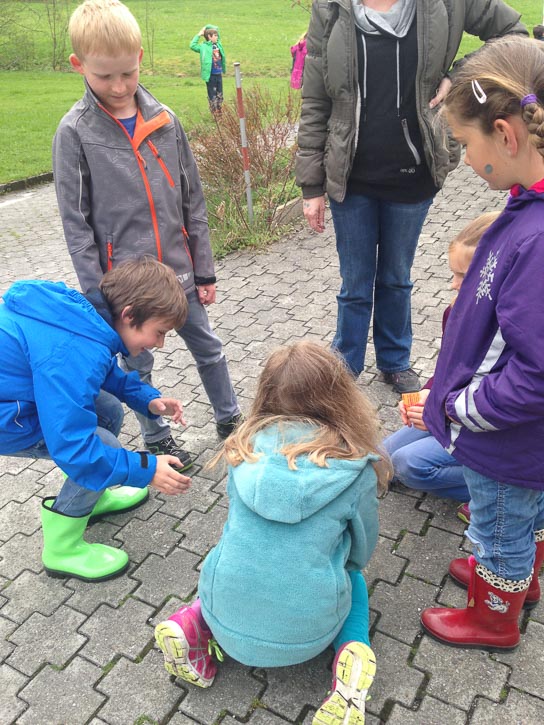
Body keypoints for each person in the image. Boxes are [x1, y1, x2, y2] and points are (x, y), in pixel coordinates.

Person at [295, 0, 527, 395]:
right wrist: (311, 186)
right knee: (355, 282)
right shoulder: (331, 7)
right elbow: (315, 98)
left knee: (396, 277)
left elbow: (514, 37)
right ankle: (345, 365)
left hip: (414, 172)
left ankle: (394, 360)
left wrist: (460, 78)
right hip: (350, 175)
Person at [154, 341, 390, 723]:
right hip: (308, 636)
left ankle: (191, 623)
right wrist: (344, 564)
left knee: (237, 558)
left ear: (265, 394)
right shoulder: (354, 467)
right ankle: (351, 653)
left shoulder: (242, 448)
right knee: (355, 577)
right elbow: (361, 550)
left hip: (225, 616)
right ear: (340, 399)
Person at [52, 1, 241, 475]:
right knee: (137, 366)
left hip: (179, 273)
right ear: (78, 65)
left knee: (209, 348)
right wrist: (99, 296)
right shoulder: (74, 133)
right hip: (126, 286)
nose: (118, 86)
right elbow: (76, 226)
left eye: (128, 73)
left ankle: (231, 418)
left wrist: (204, 269)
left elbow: (193, 201)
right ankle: (157, 437)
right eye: (104, 76)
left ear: (140, 57)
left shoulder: (166, 120)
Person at [420, 35, 544, 651]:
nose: (465, 160)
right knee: (525, 515)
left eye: (465, 144)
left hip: (504, 438)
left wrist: (465, 407)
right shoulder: (526, 208)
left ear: (505, 134)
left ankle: (493, 619)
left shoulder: (537, 238)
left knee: (498, 527)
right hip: (520, 440)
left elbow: (536, 372)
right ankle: (522, 579)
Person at [0, 257, 192, 582]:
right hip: (8, 420)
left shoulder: (81, 318)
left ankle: (94, 494)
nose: (159, 344)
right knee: (102, 445)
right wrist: (146, 469)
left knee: (108, 410)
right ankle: (63, 549)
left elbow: (98, 368)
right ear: (129, 315)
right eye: (159, 332)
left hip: (18, 394)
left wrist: (147, 398)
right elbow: (73, 447)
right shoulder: (70, 349)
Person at [383, 212, 500, 522]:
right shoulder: (455, 312)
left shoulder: (509, 329)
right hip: (453, 413)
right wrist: (426, 394)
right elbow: (449, 368)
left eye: (464, 276)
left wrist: (440, 411)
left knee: (409, 465)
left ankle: (492, 494)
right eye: (453, 273)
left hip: (487, 430)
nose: (453, 284)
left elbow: (497, 398)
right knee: (383, 457)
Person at [190, 25, 226, 115]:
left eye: (217, 35)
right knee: (212, 95)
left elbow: (216, 28)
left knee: (220, 94)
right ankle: (214, 113)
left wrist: (207, 26)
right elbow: (192, 45)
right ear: (209, 37)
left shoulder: (218, 44)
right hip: (210, 75)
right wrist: (199, 34)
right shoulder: (203, 47)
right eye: (215, 35)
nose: (217, 37)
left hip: (218, 74)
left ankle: (219, 111)